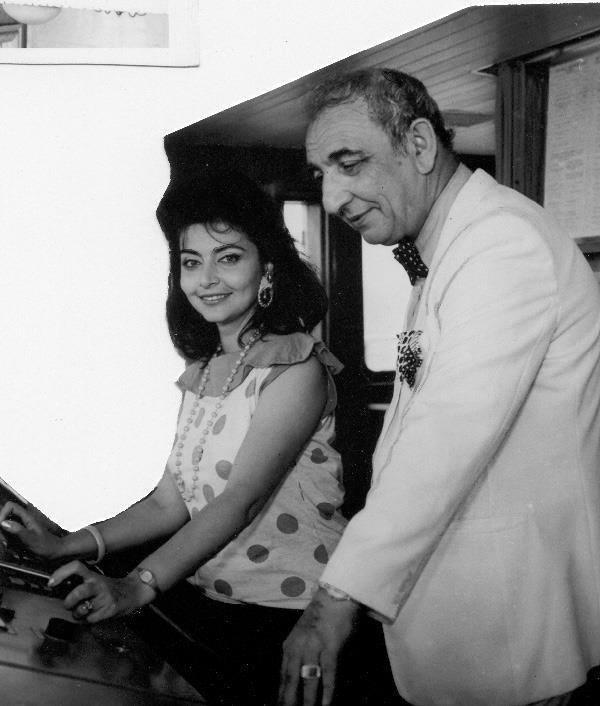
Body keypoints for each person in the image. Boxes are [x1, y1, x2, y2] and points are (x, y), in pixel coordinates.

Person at [279, 68, 600, 706]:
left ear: (420, 145)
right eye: (322, 175)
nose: (334, 198)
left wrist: (336, 598)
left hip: (514, 630)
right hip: (473, 619)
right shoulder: (451, 247)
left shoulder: (501, 244)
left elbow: (445, 435)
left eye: (349, 163)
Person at [0, 170, 347, 705]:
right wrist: (67, 543)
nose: (206, 278)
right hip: (221, 606)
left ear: (267, 268)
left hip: (296, 615)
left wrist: (135, 586)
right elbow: (170, 501)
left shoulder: (294, 367)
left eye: (228, 257)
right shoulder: (203, 373)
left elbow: (240, 500)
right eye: (191, 261)